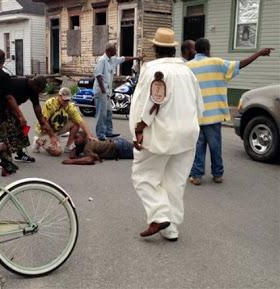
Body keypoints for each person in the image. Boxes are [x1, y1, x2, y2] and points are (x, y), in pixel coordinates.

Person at [130, 28, 204, 241]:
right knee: (175, 182)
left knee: (143, 176)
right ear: (173, 49)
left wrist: (139, 129)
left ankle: (160, 216)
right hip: (188, 135)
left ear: (155, 48)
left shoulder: (153, 70)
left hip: (160, 134)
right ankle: (171, 229)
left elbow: (150, 103)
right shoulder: (188, 72)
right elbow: (199, 107)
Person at [187, 38, 273, 185]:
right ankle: (217, 175)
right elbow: (241, 64)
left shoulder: (187, 67)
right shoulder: (217, 63)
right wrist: (258, 53)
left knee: (198, 147)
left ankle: (196, 176)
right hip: (214, 116)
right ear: (208, 50)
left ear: (196, 50)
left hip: (196, 116)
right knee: (215, 147)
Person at [93, 42, 141, 141]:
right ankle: (100, 134)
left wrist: (136, 58)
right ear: (109, 51)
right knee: (101, 114)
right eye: (115, 49)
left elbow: (123, 59)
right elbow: (98, 75)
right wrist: (103, 91)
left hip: (107, 91)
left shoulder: (112, 59)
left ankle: (108, 132)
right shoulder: (102, 60)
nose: (116, 51)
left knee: (109, 112)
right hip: (101, 91)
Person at [32, 87, 94, 156]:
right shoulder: (50, 104)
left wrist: (89, 135)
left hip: (57, 129)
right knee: (57, 152)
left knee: (76, 123)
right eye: (64, 100)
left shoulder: (69, 106)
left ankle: (68, 146)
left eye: (68, 100)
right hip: (45, 130)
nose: (66, 102)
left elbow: (81, 121)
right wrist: (52, 136)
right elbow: (44, 122)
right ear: (59, 96)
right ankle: (38, 140)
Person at [9, 75, 56, 162]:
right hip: (1, 107)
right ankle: (2, 158)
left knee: (24, 128)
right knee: (7, 131)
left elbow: (36, 106)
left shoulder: (33, 89)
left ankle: (20, 153)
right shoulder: (19, 84)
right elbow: (9, 99)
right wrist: (20, 116)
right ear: (35, 85)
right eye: (39, 90)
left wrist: (42, 122)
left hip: (13, 109)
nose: (38, 92)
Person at [62, 130, 133, 165]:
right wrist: (74, 151)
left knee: (142, 152)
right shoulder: (85, 143)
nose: (75, 140)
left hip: (121, 148)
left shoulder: (88, 146)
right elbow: (74, 153)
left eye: (77, 138)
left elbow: (89, 160)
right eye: (74, 138)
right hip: (117, 144)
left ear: (84, 137)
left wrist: (72, 161)